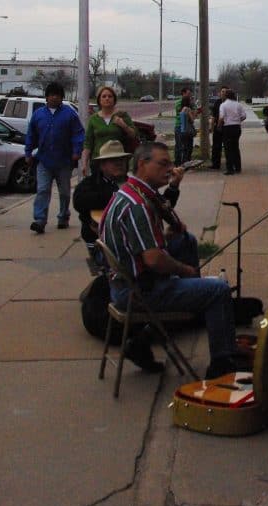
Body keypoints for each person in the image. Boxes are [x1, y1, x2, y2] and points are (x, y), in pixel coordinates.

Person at [100, 142, 238, 379]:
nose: (170, 169)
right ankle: (221, 365)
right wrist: (184, 270)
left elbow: (151, 234)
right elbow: (153, 259)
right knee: (219, 290)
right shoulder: (138, 205)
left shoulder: (130, 191)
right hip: (137, 292)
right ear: (143, 164)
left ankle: (142, 340)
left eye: (171, 164)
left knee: (186, 240)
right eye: (163, 164)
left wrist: (167, 233)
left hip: (128, 281)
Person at [26, 82, 85, 234]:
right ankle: (40, 220)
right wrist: (28, 153)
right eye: (51, 94)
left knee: (64, 192)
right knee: (43, 189)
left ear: (61, 97)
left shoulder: (70, 114)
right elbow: (31, 135)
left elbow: (78, 134)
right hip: (44, 160)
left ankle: (63, 216)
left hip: (64, 161)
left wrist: (76, 151)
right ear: (46, 97)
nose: (54, 97)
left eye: (57, 95)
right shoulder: (38, 114)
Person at [81, 86, 137, 179]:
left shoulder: (122, 115)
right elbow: (88, 144)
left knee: (116, 188)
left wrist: (123, 125)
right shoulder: (93, 119)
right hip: (98, 161)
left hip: (118, 162)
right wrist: (84, 164)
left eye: (110, 96)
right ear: (99, 100)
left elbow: (133, 135)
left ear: (114, 99)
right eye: (104, 96)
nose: (107, 98)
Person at [218, 89, 247, 175]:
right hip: (237, 127)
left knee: (228, 148)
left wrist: (219, 126)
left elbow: (221, 117)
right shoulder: (238, 105)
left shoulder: (223, 105)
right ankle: (238, 167)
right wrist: (237, 120)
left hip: (227, 128)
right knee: (235, 147)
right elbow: (244, 116)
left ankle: (230, 169)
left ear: (226, 96)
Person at [208, 86, 228, 169]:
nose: (223, 93)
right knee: (216, 147)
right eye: (222, 91)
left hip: (227, 127)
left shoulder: (229, 103)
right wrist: (211, 127)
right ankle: (215, 164)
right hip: (217, 127)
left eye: (225, 91)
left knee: (227, 146)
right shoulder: (217, 102)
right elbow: (213, 116)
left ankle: (230, 164)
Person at [174, 87, 192, 166]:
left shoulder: (178, 103)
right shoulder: (187, 105)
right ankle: (184, 163)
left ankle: (178, 162)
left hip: (179, 126)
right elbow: (192, 118)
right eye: (188, 94)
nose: (189, 95)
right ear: (183, 93)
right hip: (184, 127)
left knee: (179, 145)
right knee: (186, 146)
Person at [178, 95, 196, 164]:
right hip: (188, 131)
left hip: (182, 130)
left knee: (184, 148)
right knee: (189, 148)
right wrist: (194, 114)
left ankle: (183, 163)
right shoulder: (188, 109)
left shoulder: (182, 109)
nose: (191, 101)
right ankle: (187, 164)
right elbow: (192, 120)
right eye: (190, 100)